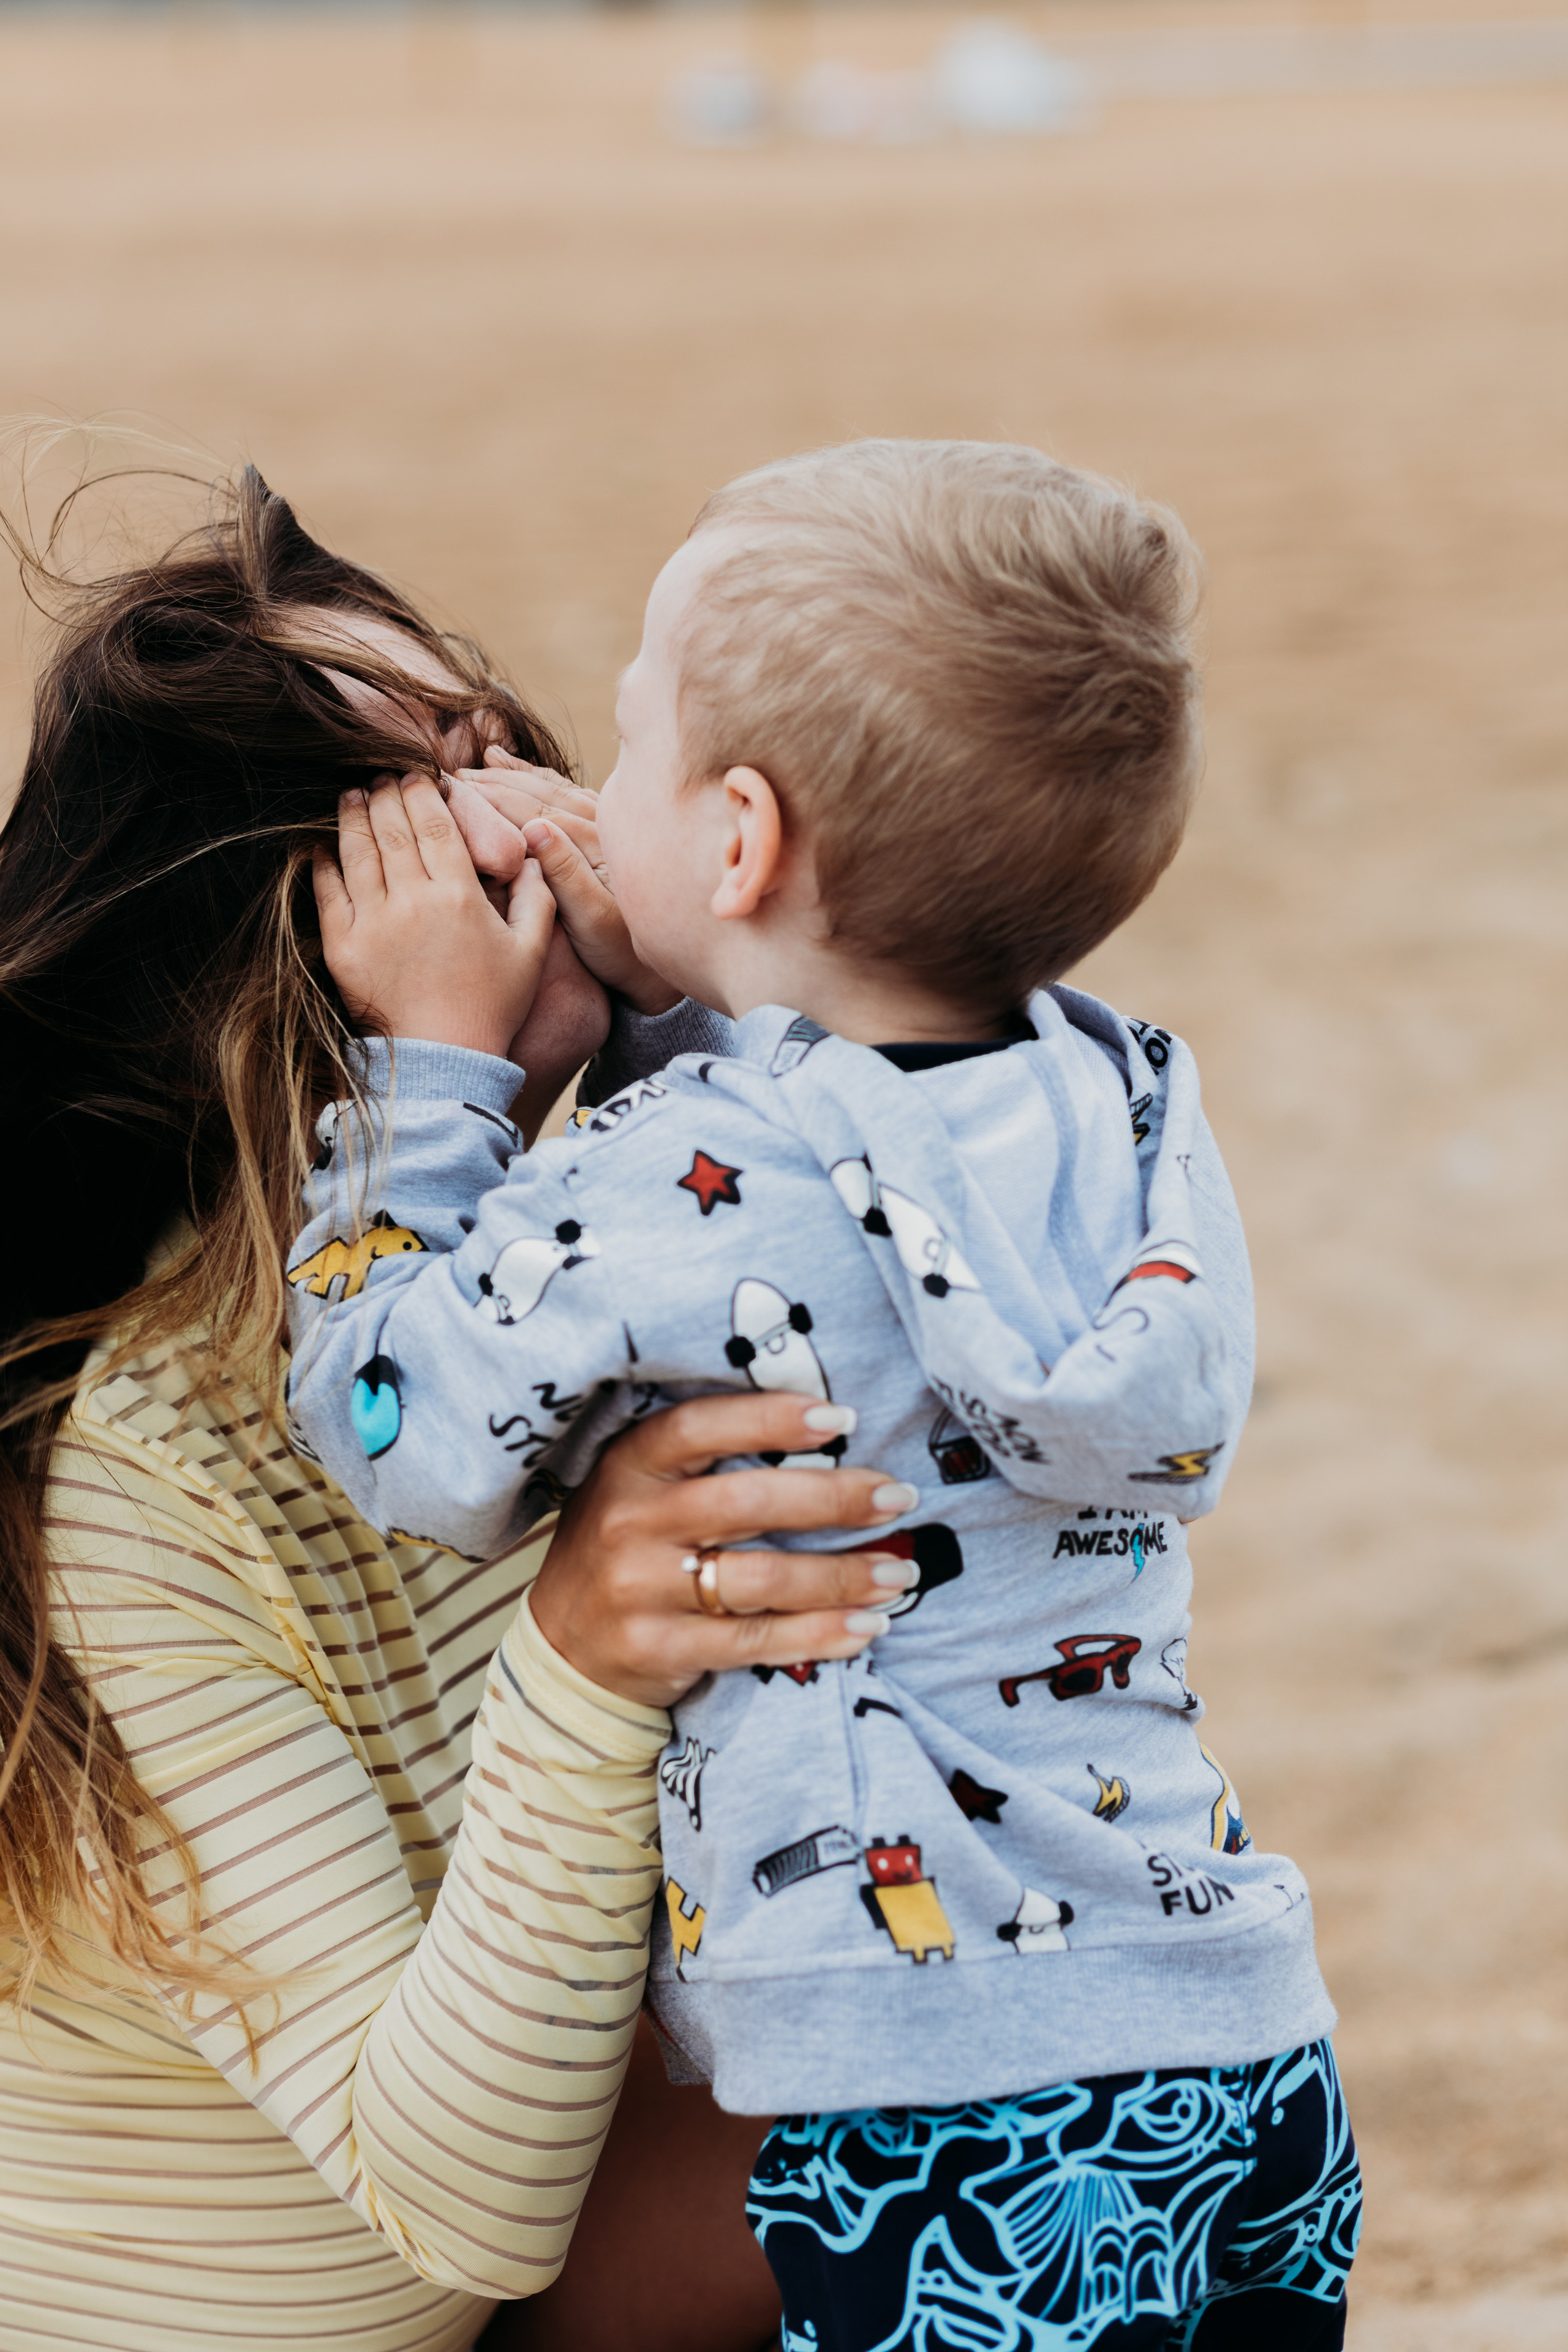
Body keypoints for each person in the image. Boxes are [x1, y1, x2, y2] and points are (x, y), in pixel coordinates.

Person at [286, 439, 1363, 2350]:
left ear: (743, 841)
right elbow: (847, 1184)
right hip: (1238, 2041)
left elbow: (402, 1426)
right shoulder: (1118, 1116)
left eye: (626, 747)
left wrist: (429, 1081)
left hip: (930, 2102)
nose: (586, 792)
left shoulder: (690, 1172)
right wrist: (687, 984)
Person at [0, 466, 919, 2352]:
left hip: (516, 2276)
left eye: (500, 732)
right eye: (426, 795)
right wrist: (581, 1665)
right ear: (279, 955)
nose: (532, 808)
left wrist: (685, 1008)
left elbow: (890, 1282)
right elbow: (457, 2206)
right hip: (385, 2287)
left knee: (1012, 2037)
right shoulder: (141, 1472)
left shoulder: (527, 1263)